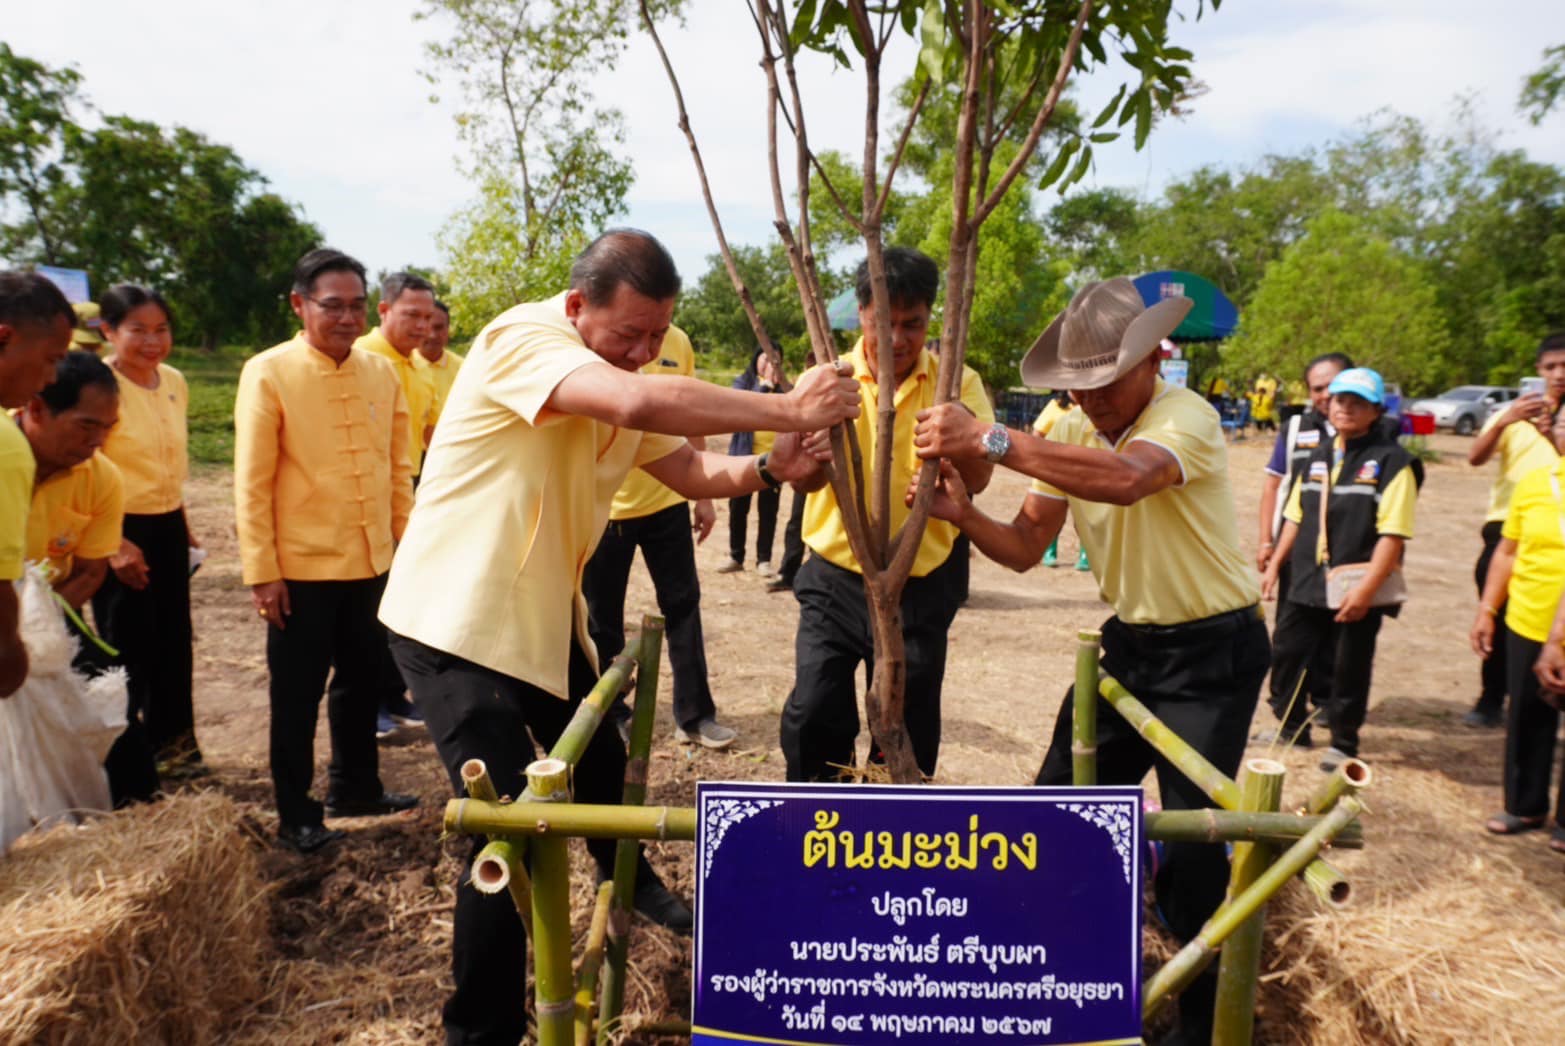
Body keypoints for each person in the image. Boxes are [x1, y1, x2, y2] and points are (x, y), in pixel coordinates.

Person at [377, 228, 859, 1045]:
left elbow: (689, 471)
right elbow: (633, 403)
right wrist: (787, 406)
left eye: (654, 336)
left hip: (539, 616)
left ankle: (631, 884)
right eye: (627, 334)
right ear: (576, 307)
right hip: (454, 621)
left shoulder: (623, 369)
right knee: (504, 835)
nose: (643, 352)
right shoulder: (521, 339)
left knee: (600, 760)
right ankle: (481, 1028)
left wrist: (773, 468)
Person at [913, 277, 1268, 1045]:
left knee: (1193, 849)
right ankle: (1061, 986)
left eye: (1107, 379)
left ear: (1155, 358)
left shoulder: (1186, 417)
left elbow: (1129, 480)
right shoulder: (1065, 430)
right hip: (1130, 648)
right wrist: (965, 513)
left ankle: (1205, 1023)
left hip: (1212, 651)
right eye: (1077, 385)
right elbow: (1019, 548)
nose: (1092, 398)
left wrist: (989, 440)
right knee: (1053, 815)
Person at [780, 247, 994, 783]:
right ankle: (812, 830)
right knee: (813, 710)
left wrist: (957, 450)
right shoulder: (828, 378)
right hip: (833, 578)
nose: (898, 339)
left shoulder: (956, 383)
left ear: (931, 319)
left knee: (908, 726)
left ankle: (893, 839)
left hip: (919, 586)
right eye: (884, 323)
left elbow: (982, 479)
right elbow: (801, 479)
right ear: (861, 314)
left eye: (913, 324)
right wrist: (810, 462)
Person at [234, 248, 420, 855]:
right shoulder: (268, 371)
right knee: (296, 697)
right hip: (299, 570)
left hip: (371, 562)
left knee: (363, 682)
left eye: (356, 306)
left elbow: (398, 468)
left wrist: (405, 548)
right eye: (331, 306)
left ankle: (356, 788)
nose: (346, 318)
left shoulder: (380, 372)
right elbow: (252, 482)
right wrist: (263, 573)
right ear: (300, 305)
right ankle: (295, 813)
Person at [581, 324, 736, 749]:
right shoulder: (595, 336)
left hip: (667, 500)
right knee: (602, 619)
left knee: (684, 606)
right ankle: (611, 713)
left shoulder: (680, 341)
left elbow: (688, 417)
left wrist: (703, 498)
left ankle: (696, 715)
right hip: (609, 506)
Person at [1261, 368, 1422, 771]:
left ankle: (1344, 740)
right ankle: (1292, 727)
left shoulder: (1393, 462)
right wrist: (1275, 564)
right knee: (1287, 651)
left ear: (1375, 411)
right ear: (1328, 405)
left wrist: (1367, 590)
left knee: (1348, 662)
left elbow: (1393, 533)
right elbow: (1294, 516)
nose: (1345, 409)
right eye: (1339, 401)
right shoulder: (1316, 456)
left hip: (1355, 583)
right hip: (1306, 579)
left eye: (1357, 403)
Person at [20, 351, 157, 805]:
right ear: (35, 409)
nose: (98, 441)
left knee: (114, 723)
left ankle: (138, 825)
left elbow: (91, 570)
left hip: (51, 619)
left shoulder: (101, 478)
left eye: (108, 428)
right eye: (85, 425)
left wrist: (34, 634)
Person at [93, 284, 202, 777]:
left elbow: (168, 463)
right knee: (128, 647)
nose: (152, 341)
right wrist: (113, 542)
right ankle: (129, 763)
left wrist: (183, 523)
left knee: (175, 642)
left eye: (161, 329)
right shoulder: (98, 385)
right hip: (116, 530)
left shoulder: (174, 380)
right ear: (109, 331)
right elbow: (84, 470)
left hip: (166, 525)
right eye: (137, 330)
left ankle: (176, 750)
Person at [1462, 333, 1565, 728]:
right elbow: (1475, 457)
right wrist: (1505, 420)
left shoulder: (1559, 423)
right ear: (1538, 370)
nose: (1558, 374)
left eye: (1564, 366)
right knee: (1499, 614)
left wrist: (1550, 434)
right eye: (1550, 366)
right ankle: (1492, 696)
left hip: (1554, 528)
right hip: (1505, 528)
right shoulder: (1513, 413)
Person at [1254, 352, 1354, 746]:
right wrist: (1267, 542)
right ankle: (1290, 717)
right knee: (1291, 639)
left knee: (1340, 640)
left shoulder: (1376, 434)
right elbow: (1273, 485)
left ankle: (1329, 705)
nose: (1327, 395)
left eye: (1335, 385)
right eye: (1318, 388)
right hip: (1298, 552)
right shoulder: (1297, 428)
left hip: (1350, 557)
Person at [354, 273, 439, 737]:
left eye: (428, 316)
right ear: (384, 311)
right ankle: (369, 705)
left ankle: (392, 694)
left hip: (408, 489)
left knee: (397, 598)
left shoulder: (419, 367)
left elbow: (429, 433)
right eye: (411, 315)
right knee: (367, 606)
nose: (422, 326)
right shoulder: (363, 359)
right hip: (367, 493)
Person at [1471, 449, 1565, 852]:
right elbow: (1507, 551)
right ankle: (1525, 804)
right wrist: (1488, 610)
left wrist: (1558, 640)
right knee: (1527, 711)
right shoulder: (1535, 482)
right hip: (1527, 618)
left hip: (1558, 628)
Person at [0, 271, 74, 701]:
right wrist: (11, 654)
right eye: (50, 359)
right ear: (4, 337)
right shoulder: (7, 445)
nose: (49, 379)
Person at [719, 347, 786, 576]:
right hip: (743, 458)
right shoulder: (744, 382)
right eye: (766, 357)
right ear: (756, 358)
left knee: (768, 512)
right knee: (738, 509)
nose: (770, 363)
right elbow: (740, 408)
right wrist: (765, 385)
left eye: (776, 359)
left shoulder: (787, 389)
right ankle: (736, 556)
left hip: (773, 461)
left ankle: (763, 560)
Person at [1032, 390, 1089, 572]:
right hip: (1056, 471)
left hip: (1085, 471)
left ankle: (1086, 553)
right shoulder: (1056, 407)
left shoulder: (1094, 408)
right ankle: (1050, 551)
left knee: (1084, 515)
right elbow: (1038, 433)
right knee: (1053, 513)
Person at [415, 299, 465, 425]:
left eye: (439, 328)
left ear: (448, 329)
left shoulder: (465, 369)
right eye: (427, 327)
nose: (432, 335)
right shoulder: (402, 365)